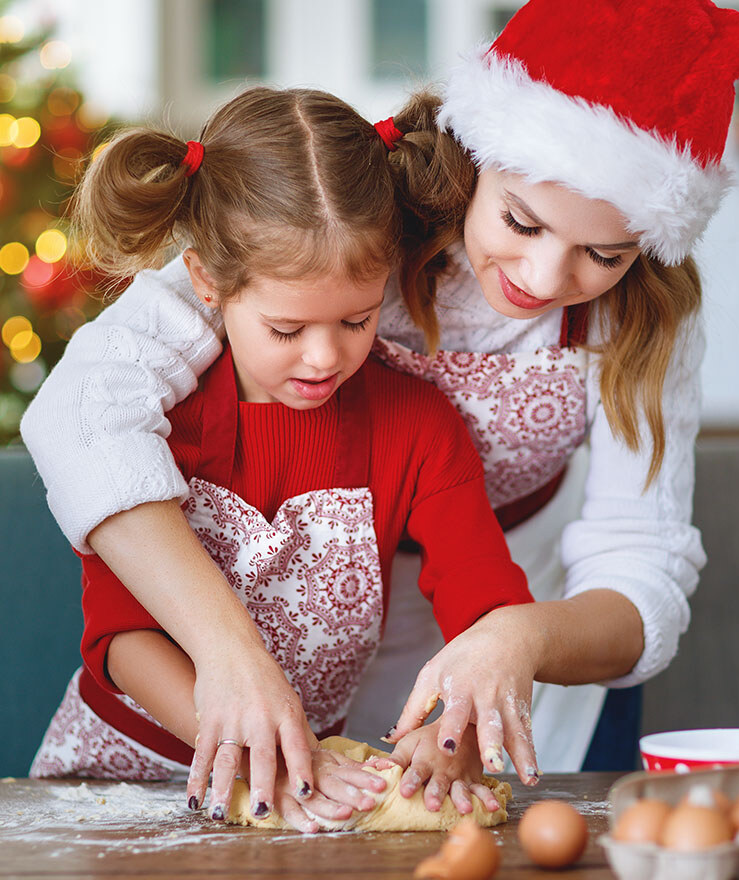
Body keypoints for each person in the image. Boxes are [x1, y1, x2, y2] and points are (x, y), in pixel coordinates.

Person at [21, 0, 739, 812]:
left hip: (515, 624)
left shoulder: (633, 321)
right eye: (520, 220)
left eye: (605, 254)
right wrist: (230, 659)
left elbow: (642, 563)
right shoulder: (340, 222)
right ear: (479, 156)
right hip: (246, 660)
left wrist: (512, 638)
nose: (547, 278)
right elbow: (86, 410)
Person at [27, 86, 536, 832]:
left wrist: (454, 719)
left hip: (303, 773)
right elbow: (119, 639)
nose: (325, 356)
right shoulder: (153, 421)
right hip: (114, 775)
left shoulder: (419, 428)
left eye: (356, 320)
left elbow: (485, 606)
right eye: (287, 327)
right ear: (206, 282)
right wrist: (251, 736)